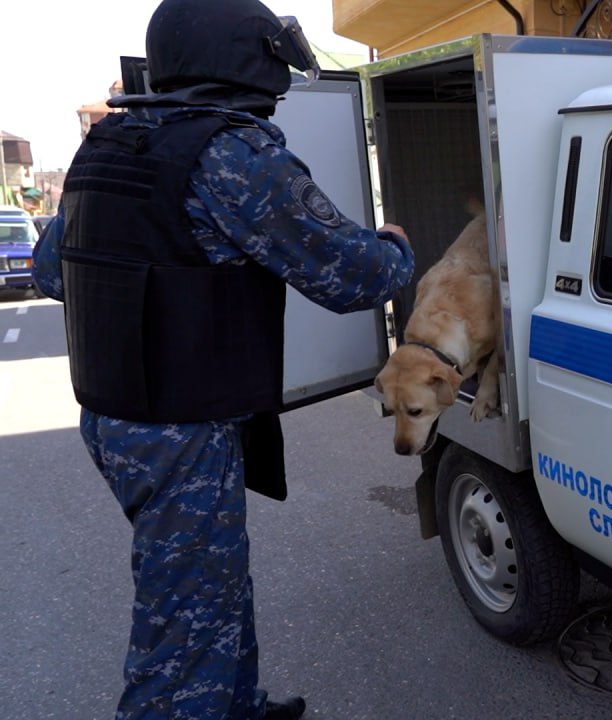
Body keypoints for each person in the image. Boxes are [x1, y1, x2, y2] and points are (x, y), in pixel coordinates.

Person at [32, 1, 415, 718]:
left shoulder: (109, 144)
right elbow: (355, 277)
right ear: (247, 61)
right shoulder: (231, 152)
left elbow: (53, 272)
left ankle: (238, 705)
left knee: (213, 585)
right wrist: (395, 242)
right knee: (182, 629)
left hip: (116, 417)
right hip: (181, 428)